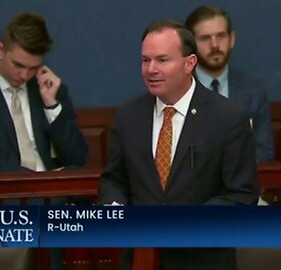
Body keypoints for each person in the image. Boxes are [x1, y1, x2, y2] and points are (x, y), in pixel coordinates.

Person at [99, 19, 259, 270]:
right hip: (141, 258)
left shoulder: (228, 118)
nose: (151, 69)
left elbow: (242, 195)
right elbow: (113, 180)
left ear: (189, 63)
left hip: (203, 259)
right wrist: (117, 211)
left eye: (162, 60)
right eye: (145, 60)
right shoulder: (128, 116)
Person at [0, 12, 88, 173]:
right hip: (5, 193)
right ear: (1, 51)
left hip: (57, 192)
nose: (24, 75)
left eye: (33, 68)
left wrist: (52, 106)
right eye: (18, 65)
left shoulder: (52, 92)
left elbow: (78, 159)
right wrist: (36, 181)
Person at [185, 5, 273, 162]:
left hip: (240, 182)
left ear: (231, 39)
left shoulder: (254, 91)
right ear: (191, 44)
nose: (215, 45)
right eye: (205, 38)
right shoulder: (178, 91)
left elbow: (264, 153)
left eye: (221, 36)